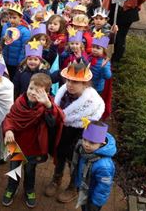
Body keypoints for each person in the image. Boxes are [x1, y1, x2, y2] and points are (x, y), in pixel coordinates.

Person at [45, 61, 105, 204]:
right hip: (62, 134)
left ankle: (73, 187)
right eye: (69, 80)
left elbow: (93, 126)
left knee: (75, 163)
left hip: (79, 138)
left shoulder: (93, 103)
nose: (70, 84)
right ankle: (56, 179)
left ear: (85, 84)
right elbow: (59, 113)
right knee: (59, 156)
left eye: (76, 82)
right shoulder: (63, 92)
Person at [1, 73, 64, 208]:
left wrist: (47, 104)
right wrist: (8, 130)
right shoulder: (19, 101)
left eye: (38, 91)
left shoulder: (47, 107)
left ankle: (29, 189)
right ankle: (12, 188)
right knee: (14, 169)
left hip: (34, 146)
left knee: (30, 171)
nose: (32, 92)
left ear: (47, 93)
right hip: (16, 144)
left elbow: (54, 121)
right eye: (31, 88)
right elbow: (9, 118)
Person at [71, 121, 116, 211]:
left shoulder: (104, 166)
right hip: (84, 189)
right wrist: (78, 183)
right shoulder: (84, 151)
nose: (86, 144)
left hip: (93, 198)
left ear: (102, 143)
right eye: (84, 140)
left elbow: (104, 187)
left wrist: (96, 203)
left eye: (92, 143)